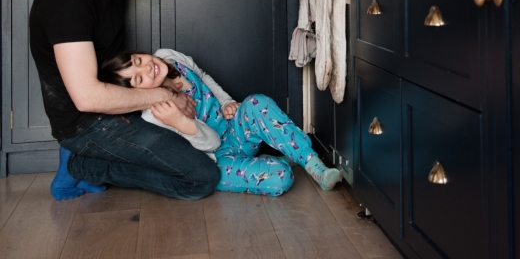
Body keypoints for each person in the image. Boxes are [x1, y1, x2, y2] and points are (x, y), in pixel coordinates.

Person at [29, 0, 220, 201]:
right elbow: (87, 97)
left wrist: (169, 85)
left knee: (201, 138)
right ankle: (84, 165)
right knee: (202, 178)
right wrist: (164, 94)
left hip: (118, 105)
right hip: (87, 124)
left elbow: (117, 68)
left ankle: (85, 162)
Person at [98, 48, 343, 196]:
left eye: (138, 61)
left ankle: (314, 166)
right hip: (217, 160)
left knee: (256, 102)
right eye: (139, 80)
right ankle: (283, 157)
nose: (148, 68)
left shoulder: (167, 56)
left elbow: (203, 76)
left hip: (235, 129)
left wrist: (226, 102)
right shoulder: (155, 114)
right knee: (281, 178)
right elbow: (212, 144)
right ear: (136, 94)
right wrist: (181, 121)